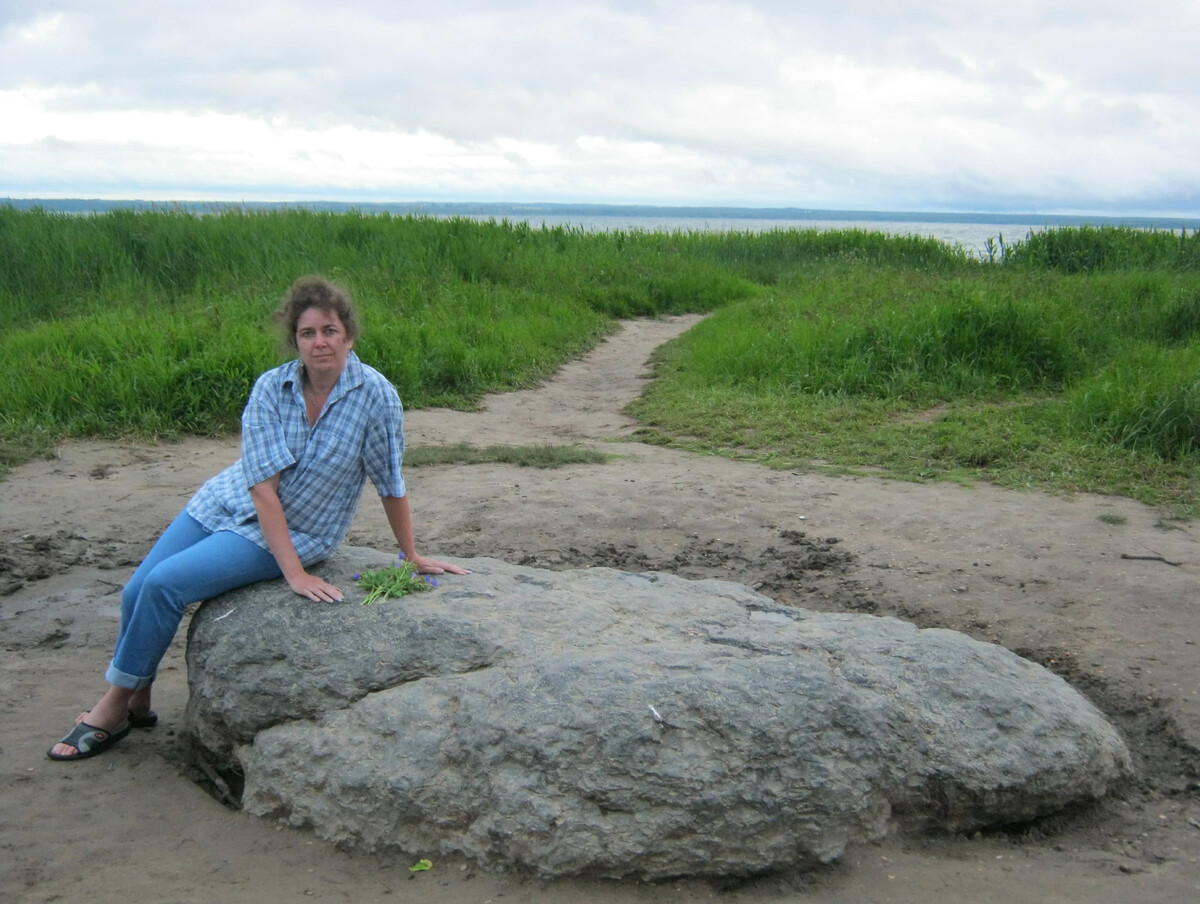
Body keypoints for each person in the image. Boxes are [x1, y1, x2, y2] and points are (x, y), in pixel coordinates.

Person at [49, 275, 467, 760]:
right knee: (136, 589)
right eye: (308, 333)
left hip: (298, 530)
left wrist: (408, 554)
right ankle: (139, 700)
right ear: (295, 340)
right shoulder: (272, 388)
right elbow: (262, 490)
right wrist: (293, 575)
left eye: (330, 330)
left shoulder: (377, 397)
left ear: (349, 335)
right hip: (224, 502)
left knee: (165, 585)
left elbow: (390, 481)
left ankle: (112, 706)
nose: (320, 342)